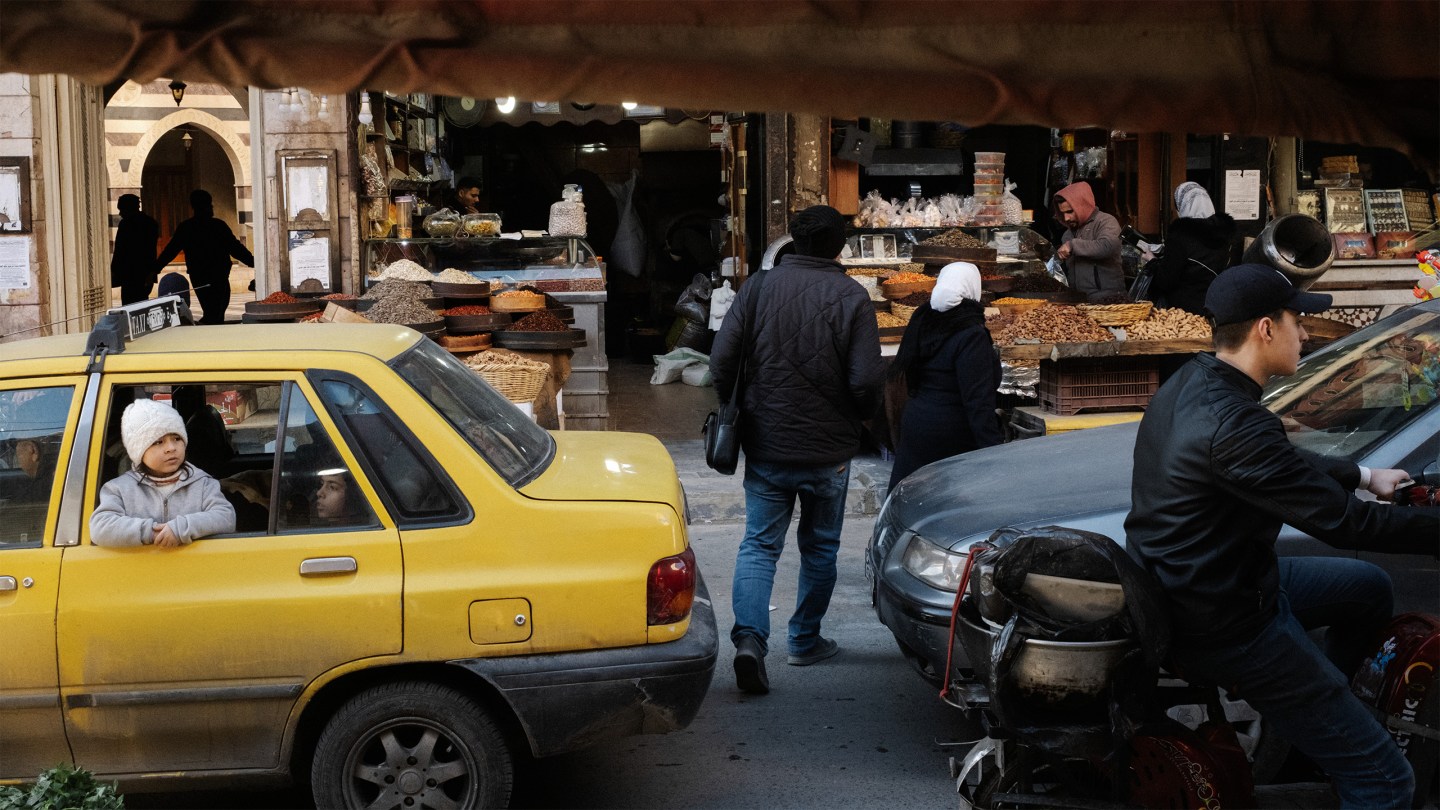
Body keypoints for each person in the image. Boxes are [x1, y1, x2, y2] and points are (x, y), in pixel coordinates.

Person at [1123, 263, 1440, 809]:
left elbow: (1278, 462)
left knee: (1366, 587)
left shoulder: (1197, 380)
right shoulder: (1236, 424)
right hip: (1227, 621)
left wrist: (1364, 475)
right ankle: (1339, 736)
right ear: (1265, 329)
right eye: (1298, 320)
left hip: (1200, 581)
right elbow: (1348, 524)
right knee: (1387, 781)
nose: (1307, 332)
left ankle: (1320, 726)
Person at [708, 204, 885, 695]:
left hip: (767, 443)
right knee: (821, 547)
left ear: (794, 241)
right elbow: (867, 381)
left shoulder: (759, 288)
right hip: (829, 450)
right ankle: (804, 640)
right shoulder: (852, 296)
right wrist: (859, 419)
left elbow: (721, 362)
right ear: (838, 246)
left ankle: (749, 640)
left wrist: (736, 407)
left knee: (760, 545)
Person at [886, 262, 1003, 492]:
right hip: (952, 434)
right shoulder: (971, 333)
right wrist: (994, 452)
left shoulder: (923, 318)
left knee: (912, 501)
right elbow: (978, 401)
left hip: (917, 423)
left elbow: (909, 371)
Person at [90, 398, 236, 547]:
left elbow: (226, 518)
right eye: (158, 442)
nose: (171, 448)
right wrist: (150, 532)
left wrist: (181, 529)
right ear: (139, 452)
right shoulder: (119, 489)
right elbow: (100, 527)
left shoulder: (203, 483)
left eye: (177, 438)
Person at [154, 189, 254, 325]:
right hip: (216, 275)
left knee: (214, 310)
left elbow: (170, 251)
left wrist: (156, 267)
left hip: (202, 275)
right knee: (215, 311)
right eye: (209, 205)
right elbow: (235, 248)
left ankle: (207, 330)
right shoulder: (217, 226)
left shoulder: (188, 227)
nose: (211, 208)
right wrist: (253, 262)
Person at [1143, 181, 1241, 314]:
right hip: (1216, 308)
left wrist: (1152, 261)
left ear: (1182, 205)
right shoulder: (1225, 235)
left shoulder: (1180, 236)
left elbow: (1165, 280)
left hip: (1183, 314)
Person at [1053, 181, 1124, 302]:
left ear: (1082, 205)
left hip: (1108, 300)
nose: (1066, 218)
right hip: (1078, 301)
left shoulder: (1106, 221)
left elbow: (1108, 246)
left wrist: (1072, 245)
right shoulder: (1068, 234)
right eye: (1062, 213)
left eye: (1070, 212)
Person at [110, 193, 160, 305]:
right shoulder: (150, 223)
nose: (120, 213)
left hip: (130, 274)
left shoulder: (126, 224)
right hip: (144, 273)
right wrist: (152, 272)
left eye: (122, 209)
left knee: (130, 305)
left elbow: (119, 251)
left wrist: (114, 271)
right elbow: (151, 251)